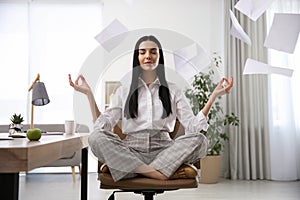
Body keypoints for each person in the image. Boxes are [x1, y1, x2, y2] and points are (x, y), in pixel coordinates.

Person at [69, 35, 233, 182]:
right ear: (137, 57)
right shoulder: (124, 90)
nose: (148, 56)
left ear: (159, 57)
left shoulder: (173, 90)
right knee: (95, 137)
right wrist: (89, 94)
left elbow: (193, 127)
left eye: (153, 52)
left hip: (164, 150)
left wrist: (213, 97)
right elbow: (101, 126)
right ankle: (158, 173)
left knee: (200, 141)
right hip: (131, 150)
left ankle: (127, 170)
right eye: (143, 52)